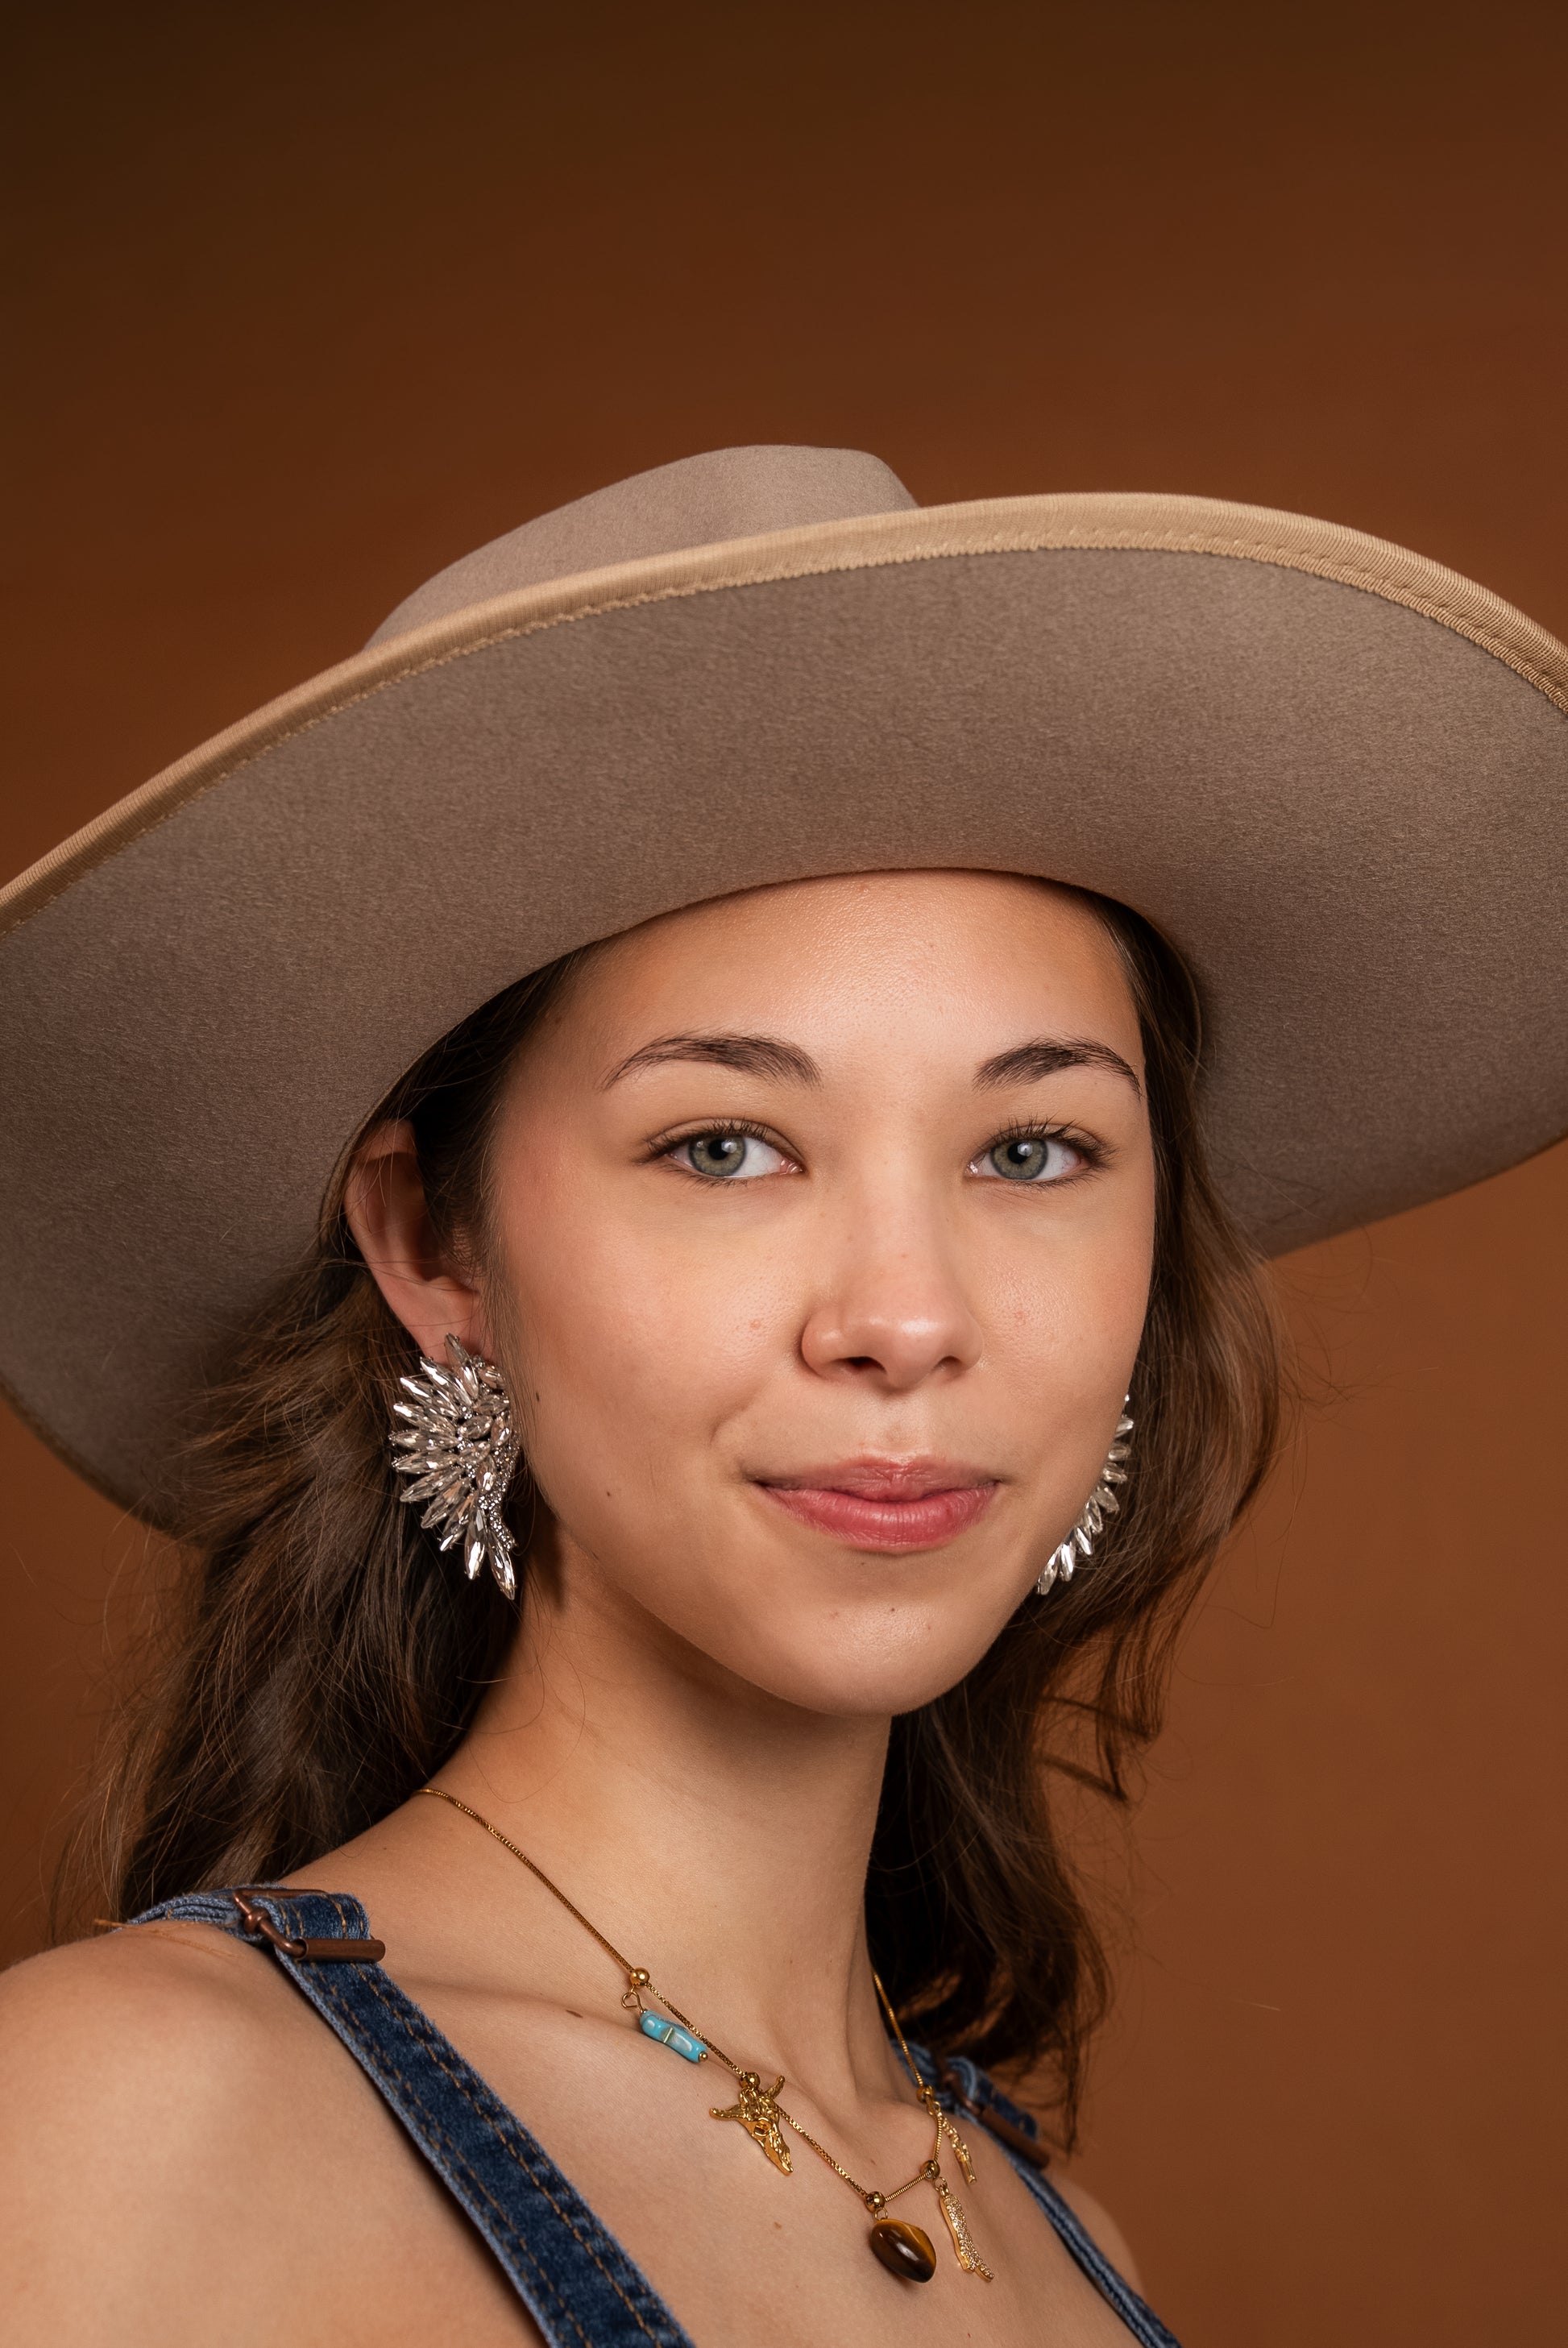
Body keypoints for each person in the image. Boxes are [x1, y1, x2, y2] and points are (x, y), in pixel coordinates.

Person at [0, 446, 1562, 2347]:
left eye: (1038, 1147)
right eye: (726, 1144)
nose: (905, 1319)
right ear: (438, 1250)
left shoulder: (1066, 2248)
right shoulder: (114, 2122)